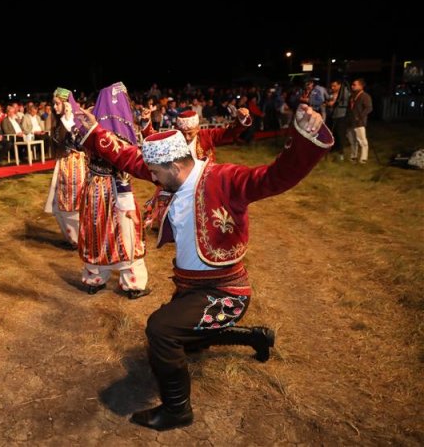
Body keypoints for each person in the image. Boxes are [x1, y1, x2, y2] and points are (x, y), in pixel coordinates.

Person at [70, 103, 331, 431]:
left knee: (161, 330)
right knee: (187, 339)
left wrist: (305, 138)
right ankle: (257, 338)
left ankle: (177, 410)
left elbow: (274, 177)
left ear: (175, 165)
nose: (149, 177)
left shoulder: (225, 179)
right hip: (191, 289)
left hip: (225, 293)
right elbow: (129, 158)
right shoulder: (171, 175)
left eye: (154, 172)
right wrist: (95, 131)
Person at [73, 82, 150, 299]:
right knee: (125, 232)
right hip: (116, 188)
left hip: (93, 186)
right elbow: (128, 161)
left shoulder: (89, 126)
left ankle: (94, 279)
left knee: (95, 231)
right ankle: (132, 283)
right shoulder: (118, 129)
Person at [142, 108, 252, 228]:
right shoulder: (174, 138)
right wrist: (146, 122)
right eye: (184, 133)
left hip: (203, 180)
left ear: (198, 128)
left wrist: (241, 119)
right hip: (179, 183)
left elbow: (229, 133)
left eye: (190, 133)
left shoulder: (208, 135)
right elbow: (155, 141)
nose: (187, 137)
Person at [43, 88, 87, 248]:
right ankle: (72, 237)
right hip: (63, 166)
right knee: (58, 204)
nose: (54, 107)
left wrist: (70, 122)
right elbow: (57, 144)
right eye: (53, 104)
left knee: (73, 203)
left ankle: (77, 239)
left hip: (75, 167)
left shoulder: (77, 122)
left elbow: (78, 144)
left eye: (57, 104)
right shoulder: (59, 121)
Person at [347, 78, 373, 164]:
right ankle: (354, 156)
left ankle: (363, 158)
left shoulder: (365, 96)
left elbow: (369, 108)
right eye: (352, 84)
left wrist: (360, 116)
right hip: (351, 121)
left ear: (361, 86)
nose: (352, 86)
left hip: (359, 122)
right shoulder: (352, 96)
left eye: (354, 85)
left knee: (362, 140)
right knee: (352, 140)